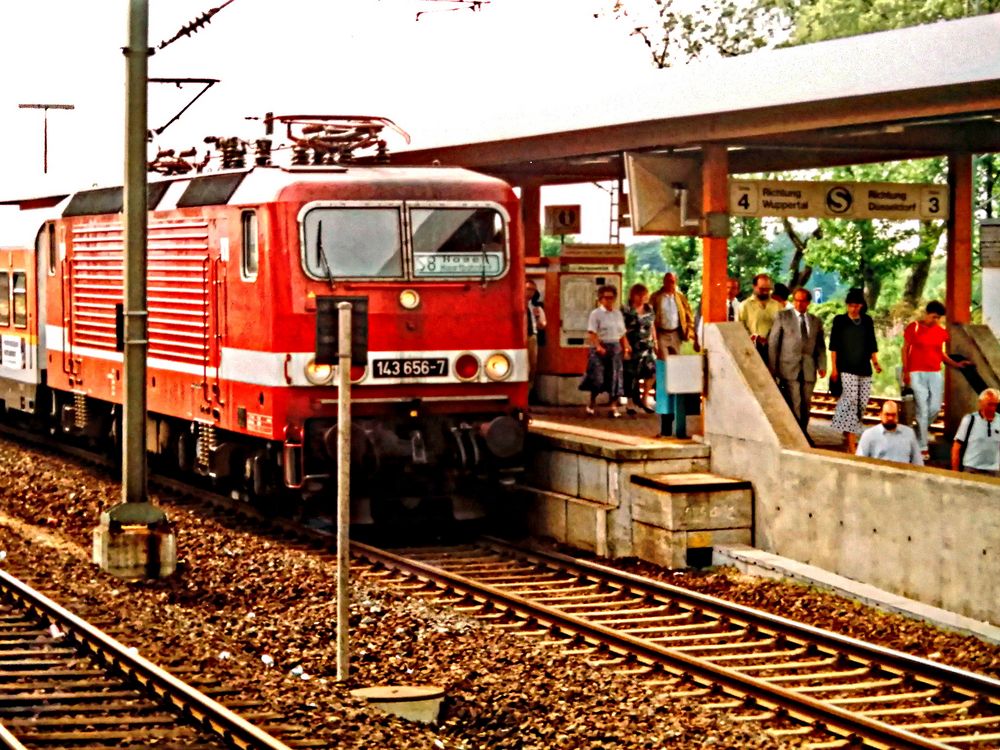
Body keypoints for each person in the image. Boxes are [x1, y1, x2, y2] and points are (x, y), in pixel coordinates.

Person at [902, 300, 971, 459]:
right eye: (933, 317)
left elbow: (941, 353)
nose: (936, 320)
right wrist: (906, 372)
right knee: (923, 409)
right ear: (926, 314)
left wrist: (957, 364)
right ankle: (923, 447)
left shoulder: (940, 332)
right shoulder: (914, 328)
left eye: (938, 318)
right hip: (916, 372)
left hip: (935, 373)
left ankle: (918, 431)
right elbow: (905, 349)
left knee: (934, 408)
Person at [767, 288, 826, 438]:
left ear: (808, 302)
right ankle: (798, 435)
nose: (799, 303)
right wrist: (773, 368)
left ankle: (803, 431)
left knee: (806, 403)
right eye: (796, 300)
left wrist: (822, 365)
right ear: (793, 301)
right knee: (795, 402)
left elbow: (820, 345)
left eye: (802, 300)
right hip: (787, 366)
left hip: (808, 367)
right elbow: (773, 343)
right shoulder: (783, 317)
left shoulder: (815, 321)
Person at [829, 288, 881, 454]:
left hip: (864, 367)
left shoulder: (867, 321)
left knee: (862, 403)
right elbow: (834, 347)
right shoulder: (839, 321)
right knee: (851, 402)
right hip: (846, 367)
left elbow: (872, 343)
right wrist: (834, 369)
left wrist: (875, 362)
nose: (853, 308)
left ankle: (847, 429)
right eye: (850, 305)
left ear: (861, 306)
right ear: (847, 305)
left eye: (856, 305)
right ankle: (852, 444)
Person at [649, 272, 696, 437]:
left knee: (678, 371)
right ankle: (664, 411)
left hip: (676, 334)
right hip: (661, 334)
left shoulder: (680, 297)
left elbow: (689, 315)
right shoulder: (656, 297)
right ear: (664, 281)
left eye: (673, 281)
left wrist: (689, 333)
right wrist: (653, 339)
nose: (671, 283)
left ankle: (677, 416)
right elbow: (650, 318)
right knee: (664, 370)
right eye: (668, 281)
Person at [579, 285, 631, 418]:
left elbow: (622, 333)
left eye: (611, 298)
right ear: (600, 299)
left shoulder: (617, 313)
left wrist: (626, 346)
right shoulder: (596, 314)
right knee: (597, 377)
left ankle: (613, 406)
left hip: (615, 346)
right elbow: (592, 332)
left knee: (615, 377)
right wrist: (598, 347)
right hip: (601, 346)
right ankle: (591, 403)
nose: (609, 300)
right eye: (606, 298)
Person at [622, 283, 656, 415]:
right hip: (632, 345)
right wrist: (625, 345)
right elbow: (621, 329)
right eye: (639, 295)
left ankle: (644, 398)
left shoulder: (649, 309)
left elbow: (652, 326)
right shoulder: (626, 309)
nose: (642, 298)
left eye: (644, 295)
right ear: (633, 295)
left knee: (651, 372)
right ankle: (630, 403)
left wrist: (655, 341)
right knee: (631, 374)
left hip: (647, 346)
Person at [856, 401, 924, 466]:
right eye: (887, 414)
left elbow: (918, 462)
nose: (890, 418)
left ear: (898, 416)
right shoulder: (869, 435)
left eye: (893, 415)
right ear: (880, 415)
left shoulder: (909, 433)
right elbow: (859, 462)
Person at [951, 388, 1000, 476]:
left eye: (995, 405)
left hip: (994, 471)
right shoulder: (970, 420)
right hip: (971, 469)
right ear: (981, 403)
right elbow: (956, 447)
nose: (992, 408)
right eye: (989, 404)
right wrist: (955, 473)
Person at [738, 273, 784, 363]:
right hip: (752, 350)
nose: (765, 292)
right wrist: (753, 338)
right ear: (754, 287)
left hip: (774, 350)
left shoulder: (777, 305)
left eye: (768, 289)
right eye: (762, 289)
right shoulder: (745, 305)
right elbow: (740, 327)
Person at [525, 279, 547, 395]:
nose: (530, 292)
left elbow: (543, 325)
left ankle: (528, 392)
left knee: (532, 366)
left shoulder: (536, 307)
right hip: (518, 338)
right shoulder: (515, 305)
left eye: (532, 290)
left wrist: (538, 317)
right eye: (528, 289)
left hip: (531, 336)